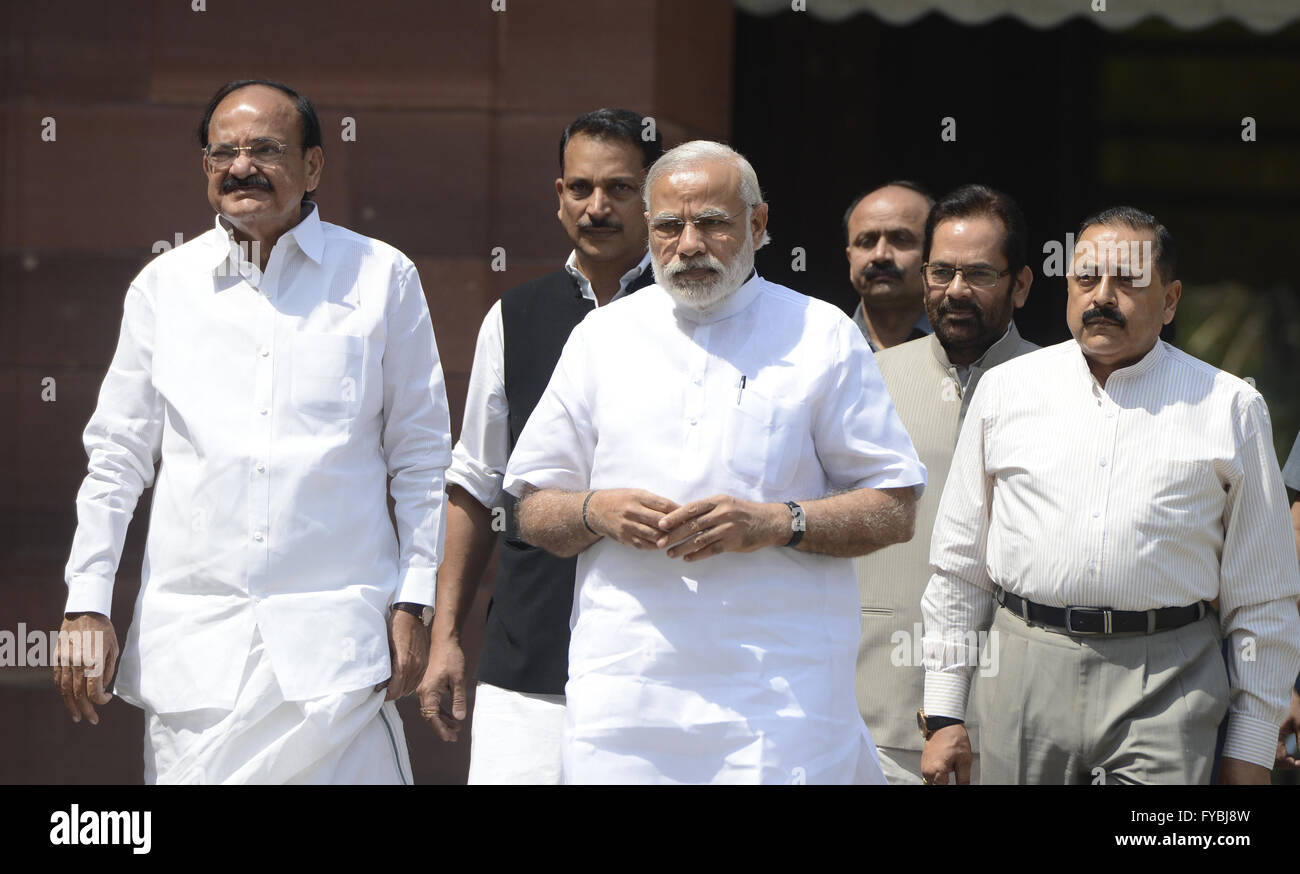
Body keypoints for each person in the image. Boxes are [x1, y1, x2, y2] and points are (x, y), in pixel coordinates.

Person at [52, 80, 451, 784]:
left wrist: (416, 601)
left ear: (314, 167)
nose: (242, 168)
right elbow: (115, 460)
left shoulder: (382, 277)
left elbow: (420, 457)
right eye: (223, 153)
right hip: (198, 663)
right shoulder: (164, 288)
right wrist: (87, 602)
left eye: (266, 149)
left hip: (340, 660)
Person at [503, 141, 926, 784]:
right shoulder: (602, 338)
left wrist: (776, 522)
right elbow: (531, 511)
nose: (688, 243)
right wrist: (595, 510)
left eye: (713, 223)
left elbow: (894, 509)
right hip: (626, 701)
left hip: (779, 705)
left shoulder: (821, 334)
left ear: (757, 225)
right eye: (669, 226)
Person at [920, 206, 1300, 784]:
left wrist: (1248, 745)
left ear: (1170, 300)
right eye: (1087, 278)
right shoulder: (1006, 391)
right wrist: (945, 712)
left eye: (1128, 282)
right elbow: (959, 568)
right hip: (1023, 668)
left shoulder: (1229, 407)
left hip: (1169, 683)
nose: (1102, 296)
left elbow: (1262, 596)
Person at [416, 109, 662, 784]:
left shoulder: (692, 317)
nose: (598, 206)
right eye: (580, 188)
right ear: (558, 197)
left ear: (655, 197)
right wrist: (445, 639)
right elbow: (474, 483)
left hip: (661, 657)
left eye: (619, 188)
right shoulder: (515, 316)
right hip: (526, 657)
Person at [855, 184, 1037, 784]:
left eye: (979, 273)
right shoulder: (865, 383)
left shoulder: (1067, 387)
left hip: (1022, 723)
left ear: (1022, 284)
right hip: (877, 716)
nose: (955, 291)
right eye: (942, 272)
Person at [843, 182, 934, 351]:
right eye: (866, 241)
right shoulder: (822, 346)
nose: (880, 255)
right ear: (850, 257)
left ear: (933, 253)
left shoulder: (966, 349)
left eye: (900, 238)